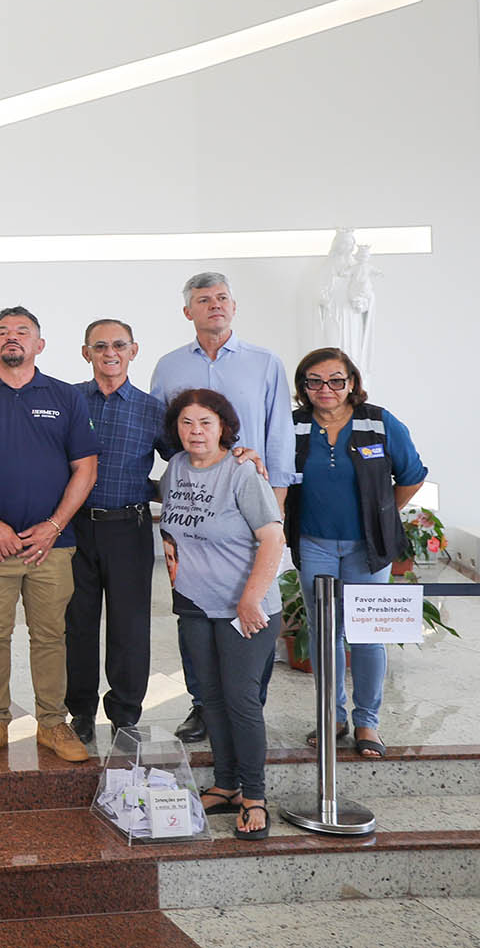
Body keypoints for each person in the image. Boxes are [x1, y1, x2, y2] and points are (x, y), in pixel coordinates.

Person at [150, 273, 293, 743]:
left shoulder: (264, 362)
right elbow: (162, 435)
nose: (214, 305)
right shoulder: (169, 367)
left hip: (249, 500)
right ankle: (203, 704)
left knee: (253, 607)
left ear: (234, 305)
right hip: (195, 508)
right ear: (187, 311)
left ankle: (249, 704)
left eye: (222, 298)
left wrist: (276, 508)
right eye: (203, 300)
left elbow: (278, 436)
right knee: (194, 606)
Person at [0, 307, 97, 765]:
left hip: (51, 547)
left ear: (40, 344)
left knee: (51, 634)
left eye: (23, 332)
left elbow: (85, 468)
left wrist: (55, 526)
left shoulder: (65, 396)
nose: (12, 338)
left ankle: (52, 723)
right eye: (3, 332)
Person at [282, 348, 426, 759]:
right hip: (314, 544)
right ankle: (332, 716)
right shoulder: (293, 426)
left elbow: (412, 475)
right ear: (303, 386)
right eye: (314, 381)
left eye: (335, 380)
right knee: (325, 635)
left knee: (368, 635)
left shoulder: (378, 421)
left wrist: (382, 514)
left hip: (368, 549)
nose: (325, 389)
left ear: (352, 383)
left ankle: (368, 722)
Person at [158, 388, 284, 841]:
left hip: (243, 607)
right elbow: (174, 527)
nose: (195, 431)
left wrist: (250, 599)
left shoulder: (243, 472)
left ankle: (254, 795)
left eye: (205, 423)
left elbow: (273, 538)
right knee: (209, 697)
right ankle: (226, 784)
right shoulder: (174, 469)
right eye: (187, 423)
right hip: (194, 601)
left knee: (240, 700)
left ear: (223, 428)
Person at [65, 319, 166, 745]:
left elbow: (185, 462)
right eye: (100, 345)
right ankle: (82, 713)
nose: (111, 353)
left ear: (134, 350)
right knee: (78, 624)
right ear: (86, 352)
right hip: (74, 529)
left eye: (119, 345)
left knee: (129, 627)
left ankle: (125, 714)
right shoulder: (68, 400)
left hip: (129, 527)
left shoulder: (153, 409)